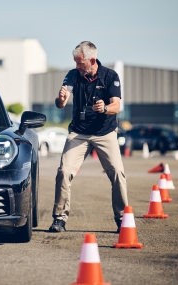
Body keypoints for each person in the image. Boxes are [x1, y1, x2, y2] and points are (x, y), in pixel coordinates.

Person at [48, 41, 128, 233]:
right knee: (64, 171)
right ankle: (60, 218)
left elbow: (116, 105)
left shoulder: (110, 76)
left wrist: (106, 108)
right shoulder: (73, 75)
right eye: (75, 62)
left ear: (92, 60)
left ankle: (123, 219)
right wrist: (61, 98)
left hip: (105, 132)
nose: (76, 66)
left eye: (80, 62)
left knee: (118, 172)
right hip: (78, 133)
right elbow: (61, 103)